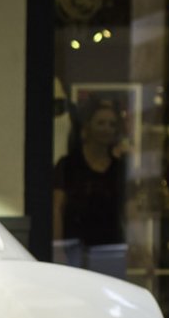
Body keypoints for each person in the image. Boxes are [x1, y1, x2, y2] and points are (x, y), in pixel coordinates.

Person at [53, 98, 129, 269]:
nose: (106, 129)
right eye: (101, 123)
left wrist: (138, 249)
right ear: (87, 127)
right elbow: (57, 208)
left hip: (111, 249)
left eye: (112, 124)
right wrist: (57, 249)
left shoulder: (120, 169)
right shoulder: (68, 165)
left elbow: (129, 213)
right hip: (74, 249)